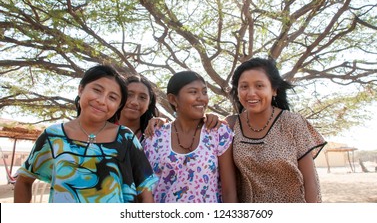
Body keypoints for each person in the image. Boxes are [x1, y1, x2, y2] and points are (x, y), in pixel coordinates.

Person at [14, 65, 157, 203]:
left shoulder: (125, 138)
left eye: (112, 97)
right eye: (97, 90)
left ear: (118, 106)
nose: (101, 101)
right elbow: (24, 180)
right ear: (81, 89)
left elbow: (145, 193)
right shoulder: (52, 136)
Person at [226, 57, 327, 203]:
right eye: (244, 86)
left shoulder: (293, 122)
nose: (251, 93)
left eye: (259, 86)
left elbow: (311, 182)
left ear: (274, 90)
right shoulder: (230, 125)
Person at [142, 71, 238, 203]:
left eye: (204, 92)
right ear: (173, 99)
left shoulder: (218, 132)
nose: (202, 98)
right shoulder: (154, 136)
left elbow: (229, 191)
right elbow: (146, 190)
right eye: (193, 92)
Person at [118, 75, 221, 141]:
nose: (135, 102)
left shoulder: (153, 134)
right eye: (129, 95)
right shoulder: (103, 127)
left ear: (149, 103)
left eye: (142, 97)